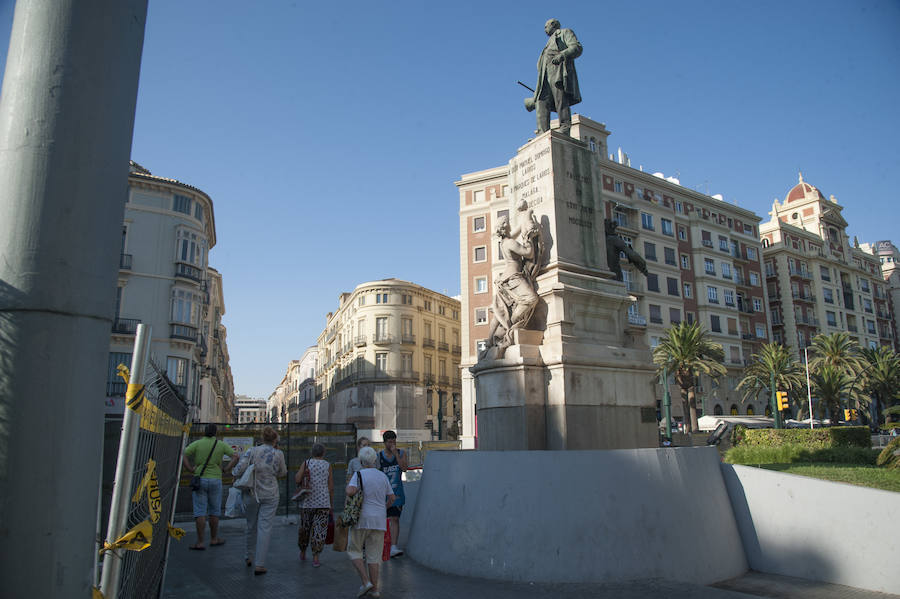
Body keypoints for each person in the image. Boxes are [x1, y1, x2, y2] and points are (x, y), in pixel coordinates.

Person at [484, 216, 541, 358]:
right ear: (506, 227)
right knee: (531, 298)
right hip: (513, 278)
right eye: (508, 224)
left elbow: (514, 233)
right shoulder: (509, 243)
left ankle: (493, 337)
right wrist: (529, 238)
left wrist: (524, 220)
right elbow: (529, 253)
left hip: (506, 278)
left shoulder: (504, 242)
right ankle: (511, 323)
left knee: (502, 310)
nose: (510, 225)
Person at [233, 426, 287, 575]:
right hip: (271, 494)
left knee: (251, 525)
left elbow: (238, 470)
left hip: (252, 492)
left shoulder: (252, 451)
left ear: (262, 438)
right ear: (275, 440)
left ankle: (248, 555)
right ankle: (260, 564)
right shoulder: (278, 454)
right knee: (265, 528)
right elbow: (283, 472)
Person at [346, 446, 395, 599]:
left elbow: (350, 491)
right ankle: (375, 590)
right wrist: (383, 508)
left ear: (361, 461)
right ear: (375, 460)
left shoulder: (359, 474)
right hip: (379, 520)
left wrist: (350, 487)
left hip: (361, 519)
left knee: (354, 550)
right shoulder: (382, 476)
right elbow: (392, 498)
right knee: (374, 556)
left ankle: (366, 582)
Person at [182, 423, 236, 550]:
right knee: (214, 511)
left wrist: (190, 468)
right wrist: (227, 469)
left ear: (204, 432)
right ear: (215, 433)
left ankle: (200, 542)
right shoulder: (220, 444)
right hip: (216, 479)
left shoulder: (198, 444)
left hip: (200, 479)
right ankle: (214, 539)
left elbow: (183, 454)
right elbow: (235, 456)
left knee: (200, 511)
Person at [527, 18, 582, 136]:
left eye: (546, 26)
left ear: (553, 25)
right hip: (544, 75)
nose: (544, 29)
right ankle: (542, 132)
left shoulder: (565, 32)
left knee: (560, 99)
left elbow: (577, 47)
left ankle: (564, 127)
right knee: (541, 101)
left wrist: (563, 55)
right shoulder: (547, 44)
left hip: (558, 71)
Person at [295, 443, 333, 567]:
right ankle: (316, 557)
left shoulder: (307, 463)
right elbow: (330, 486)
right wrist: (331, 503)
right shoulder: (327, 465)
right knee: (319, 530)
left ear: (312, 452)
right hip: (323, 502)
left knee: (305, 528)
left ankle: (302, 551)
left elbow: (297, 479)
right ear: (323, 453)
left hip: (308, 502)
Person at [378, 430, 407, 558]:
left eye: (394, 442)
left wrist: (396, 454)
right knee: (382, 520)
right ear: (384, 443)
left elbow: (404, 468)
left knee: (395, 519)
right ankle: (382, 545)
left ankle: (394, 546)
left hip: (397, 493)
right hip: (383, 494)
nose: (392, 444)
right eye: (389, 442)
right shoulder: (379, 456)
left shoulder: (401, 453)